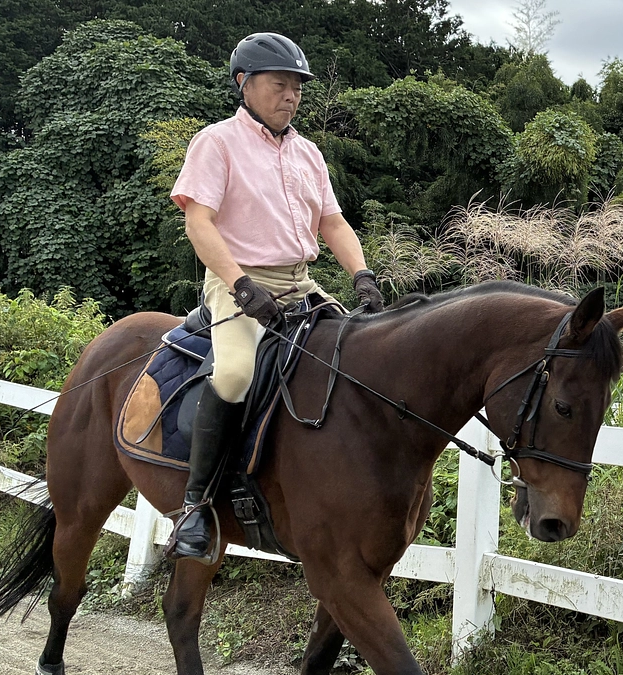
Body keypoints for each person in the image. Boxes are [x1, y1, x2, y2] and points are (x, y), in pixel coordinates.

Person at [167, 32, 384, 561]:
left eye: (297, 88)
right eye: (279, 84)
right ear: (243, 83)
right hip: (235, 279)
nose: (290, 95)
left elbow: (332, 223)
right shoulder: (215, 142)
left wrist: (362, 276)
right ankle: (195, 508)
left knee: (359, 357)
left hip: (300, 280)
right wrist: (241, 283)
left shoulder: (309, 154)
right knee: (236, 372)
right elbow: (200, 222)